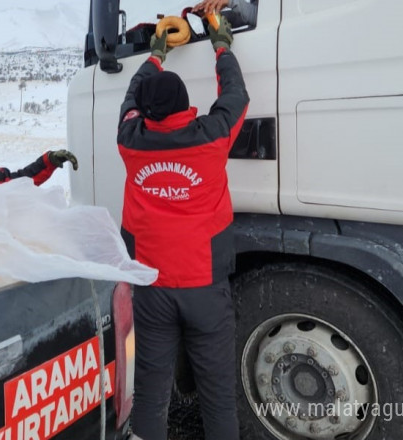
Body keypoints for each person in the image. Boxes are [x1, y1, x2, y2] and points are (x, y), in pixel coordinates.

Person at [117, 10, 249, 440]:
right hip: (205, 288)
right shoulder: (211, 135)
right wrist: (221, 44)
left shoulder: (130, 140)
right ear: (183, 104)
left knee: (151, 392)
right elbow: (236, 94)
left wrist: (156, 53)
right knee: (217, 395)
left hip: (152, 287)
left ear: (147, 112)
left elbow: (130, 98)